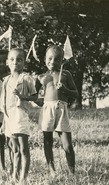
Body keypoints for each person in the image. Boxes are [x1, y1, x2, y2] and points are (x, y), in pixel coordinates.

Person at [36, 45, 78, 174]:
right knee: (47, 141)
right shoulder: (42, 76)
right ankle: (51, 169)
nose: (53, 62)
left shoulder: (65, 74)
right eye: (50, 58)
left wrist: (65, 90)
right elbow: (35, 95)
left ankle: (72, 171)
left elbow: (75, 93)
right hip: (47, 109)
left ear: (62, 61)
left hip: (61, 109)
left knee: (67, 144)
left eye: (57, 59)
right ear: (44, 59)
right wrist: (38, 100)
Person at [0, 48, 37, 181]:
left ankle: (23, 178)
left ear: (24, 63)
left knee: (23, 148)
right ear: (7, 62)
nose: (15, 62)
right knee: (13, 148)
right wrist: (3, 122)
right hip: (9, 116)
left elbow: (35, 97)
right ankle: (14, 174)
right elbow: (3, 102)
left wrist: (22, 96)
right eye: (12, 59)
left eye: (19, 60)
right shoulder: (6, 80)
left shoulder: (26, 78)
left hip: (20, 114)